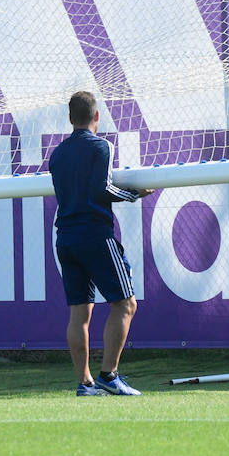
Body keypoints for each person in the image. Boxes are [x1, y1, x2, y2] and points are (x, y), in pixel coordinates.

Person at [48, 91, 151, 396]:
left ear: (70, 119)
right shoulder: (101, 145)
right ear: (97, 117)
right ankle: (109, 375)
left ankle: (85, 383)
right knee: (126, 304)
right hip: (94, 234)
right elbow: (101, 189)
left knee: (79, 312)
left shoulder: (57, 154)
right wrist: (135, 194)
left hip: (65, 238)